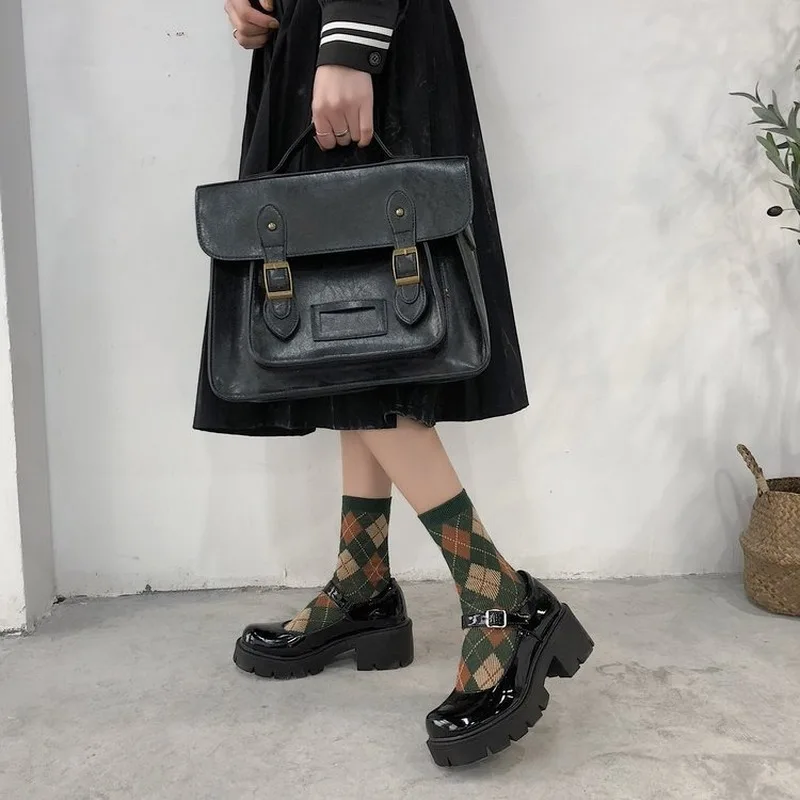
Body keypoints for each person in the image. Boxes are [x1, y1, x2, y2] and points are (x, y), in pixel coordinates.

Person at [197, 0, 593, 767]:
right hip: (311, 34)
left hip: (363, 30)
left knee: (364, 329)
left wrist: (351, 40)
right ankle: (363, 582)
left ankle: (500, 595)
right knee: (339, 327)